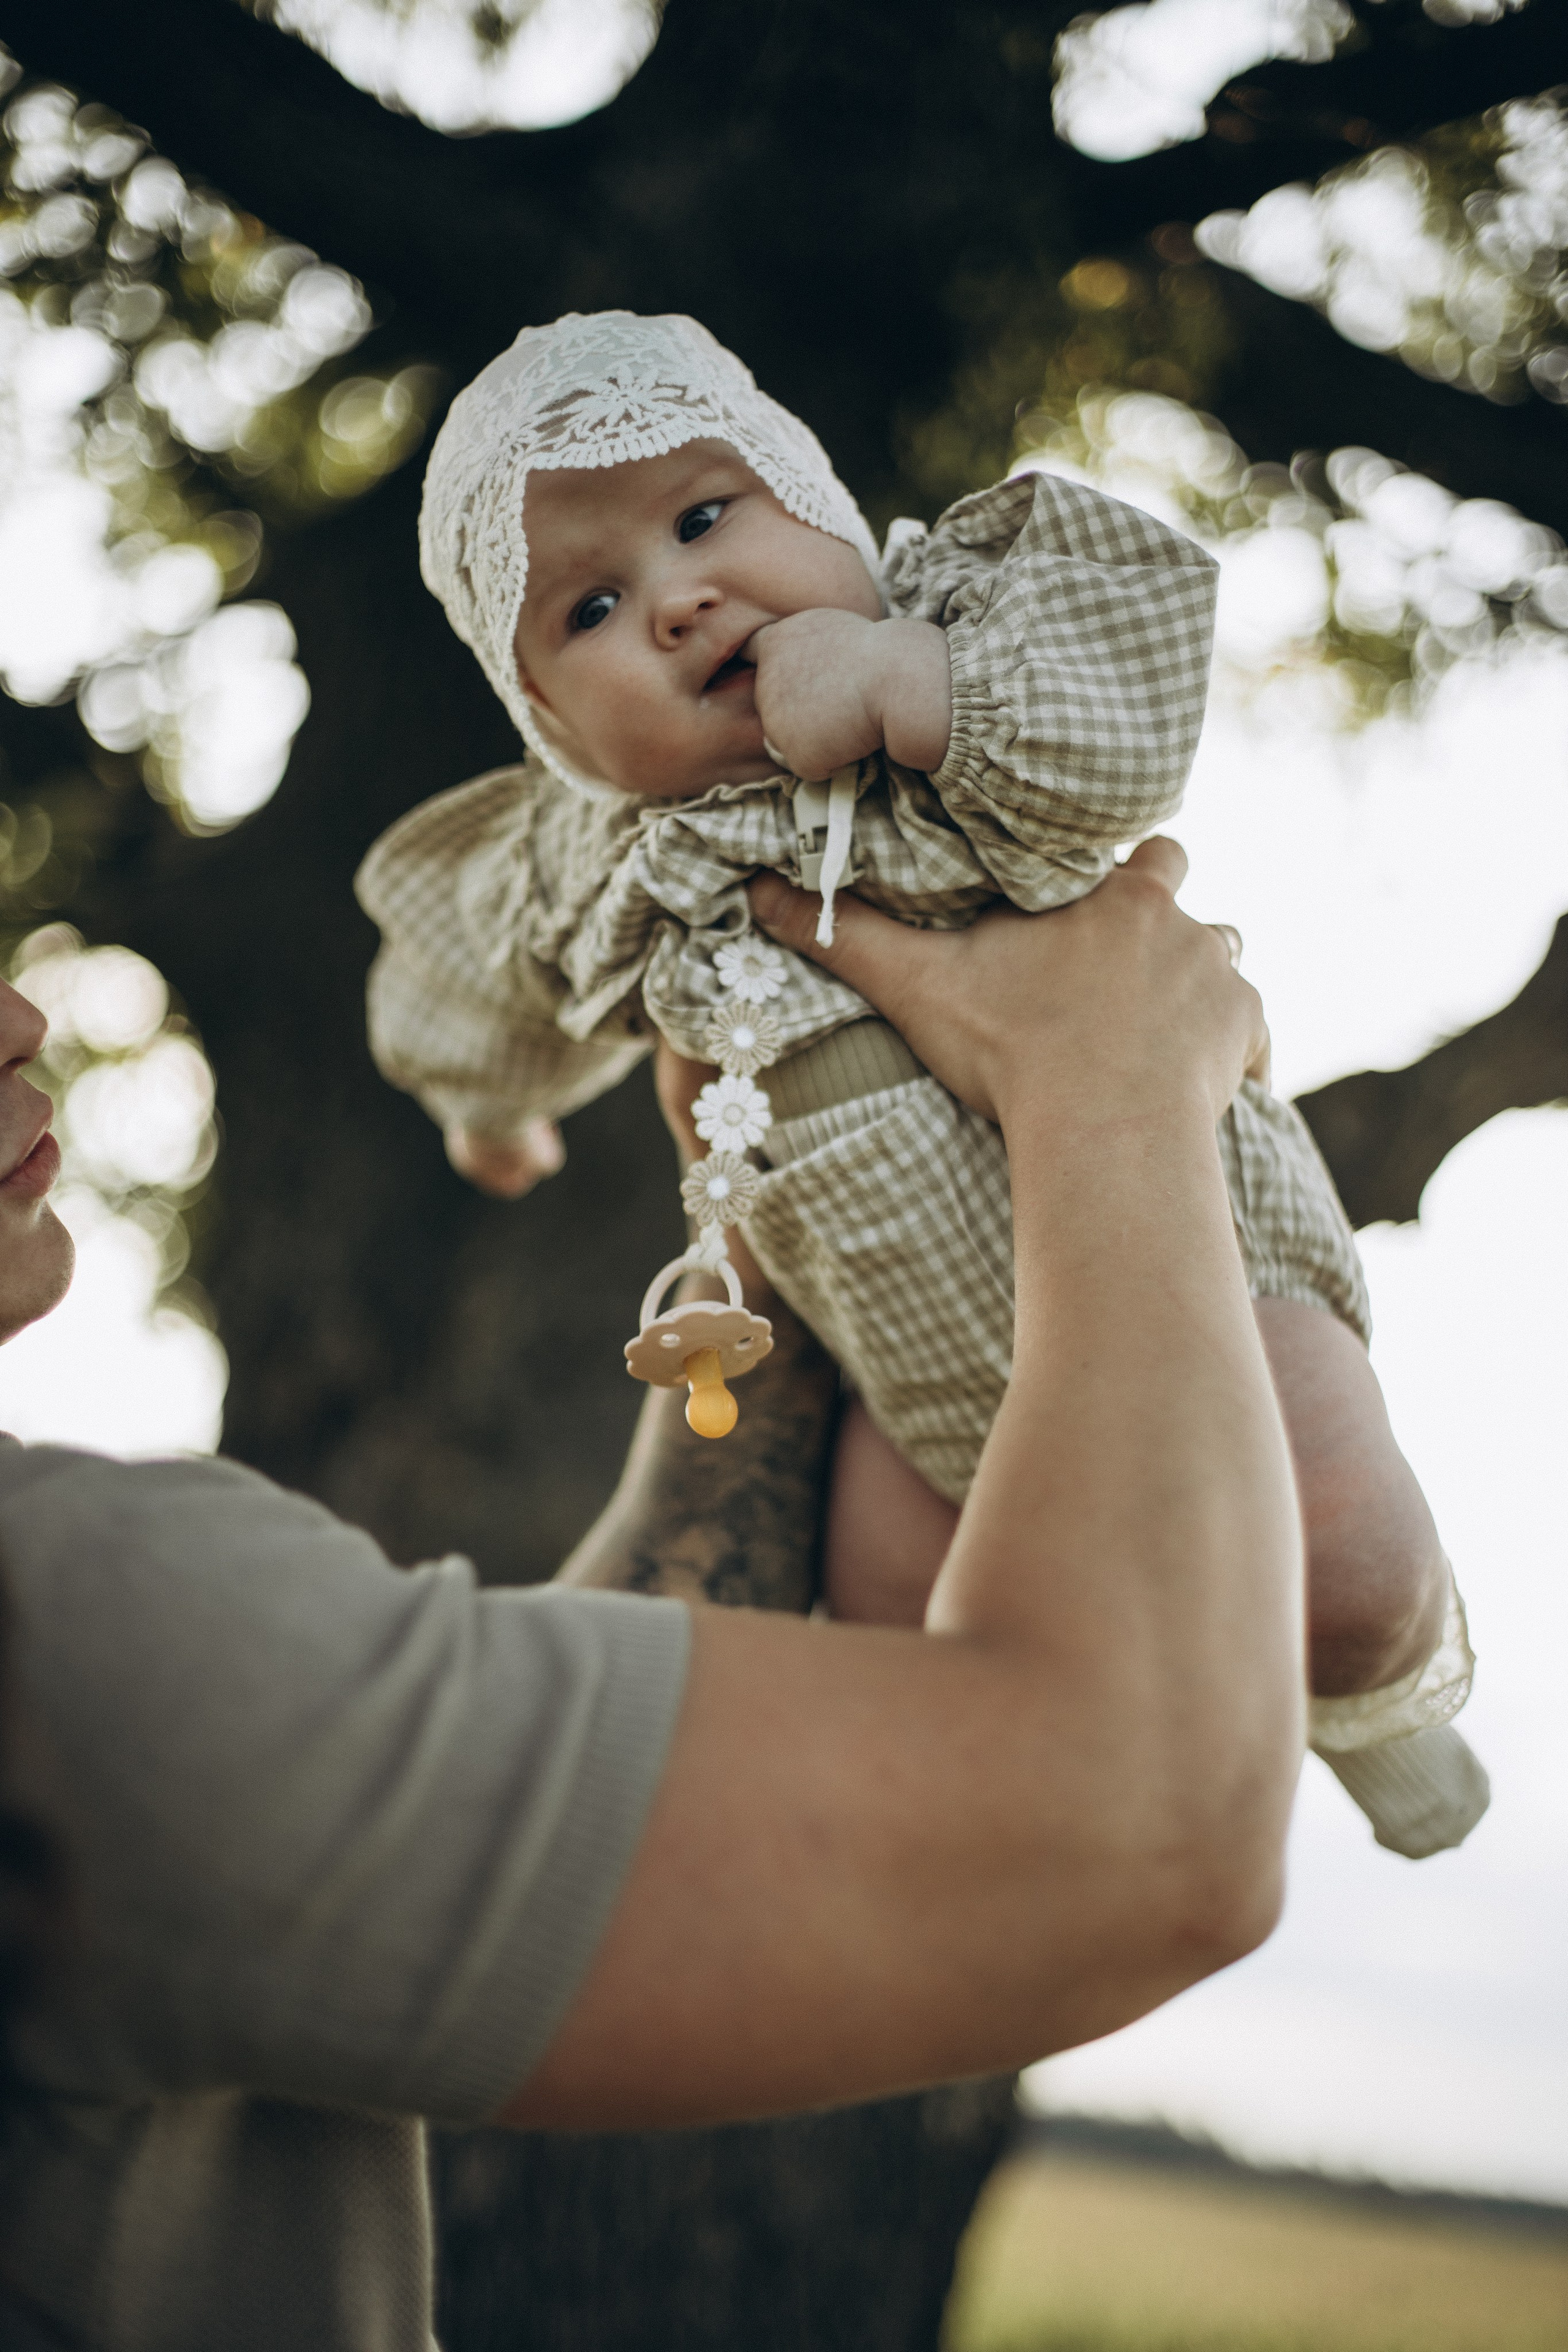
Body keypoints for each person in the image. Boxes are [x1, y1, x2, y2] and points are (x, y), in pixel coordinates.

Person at [0, 843, 1298, 2350]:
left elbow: (583, 1765)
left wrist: (765, 1204)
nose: (21, 1023)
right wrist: (1112, 1084)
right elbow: (1149, 1824)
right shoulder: (61, 1629)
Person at [357, 311, 1485, 1861]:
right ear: (547, 723)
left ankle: (1383, 1731)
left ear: (817, 497)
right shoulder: (614, 862)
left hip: (1189, 1262)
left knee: (1338, 1568)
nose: (678, 600)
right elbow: (467, 971)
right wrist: (487, 1110)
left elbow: (1124, 715)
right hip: (902, 1380)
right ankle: (1078, 1877)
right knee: (916, 1673)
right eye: (591, 608)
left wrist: (909, 681)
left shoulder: (963, 641)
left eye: (706, 517)